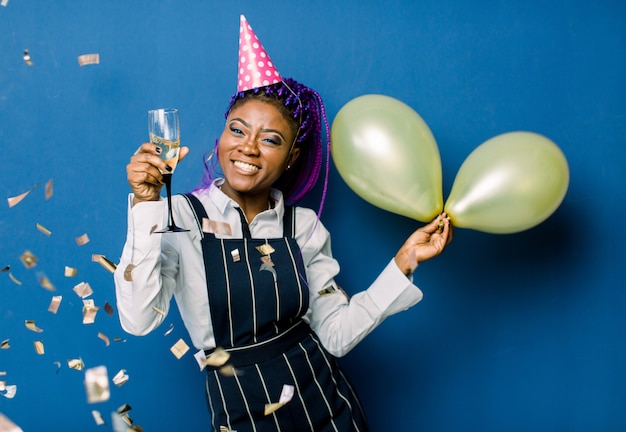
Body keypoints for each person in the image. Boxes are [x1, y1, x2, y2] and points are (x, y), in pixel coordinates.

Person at [114, 15, 452, 432]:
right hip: (241, 411)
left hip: (327, 405)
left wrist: (402, 264)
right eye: (237, 130)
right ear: (222, 137)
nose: (248, 147)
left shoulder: (304, 226)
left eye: (271, 139)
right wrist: (146, 204)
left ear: (292, 155)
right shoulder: (179, 217)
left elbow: (335, 335)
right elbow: (138, 319)